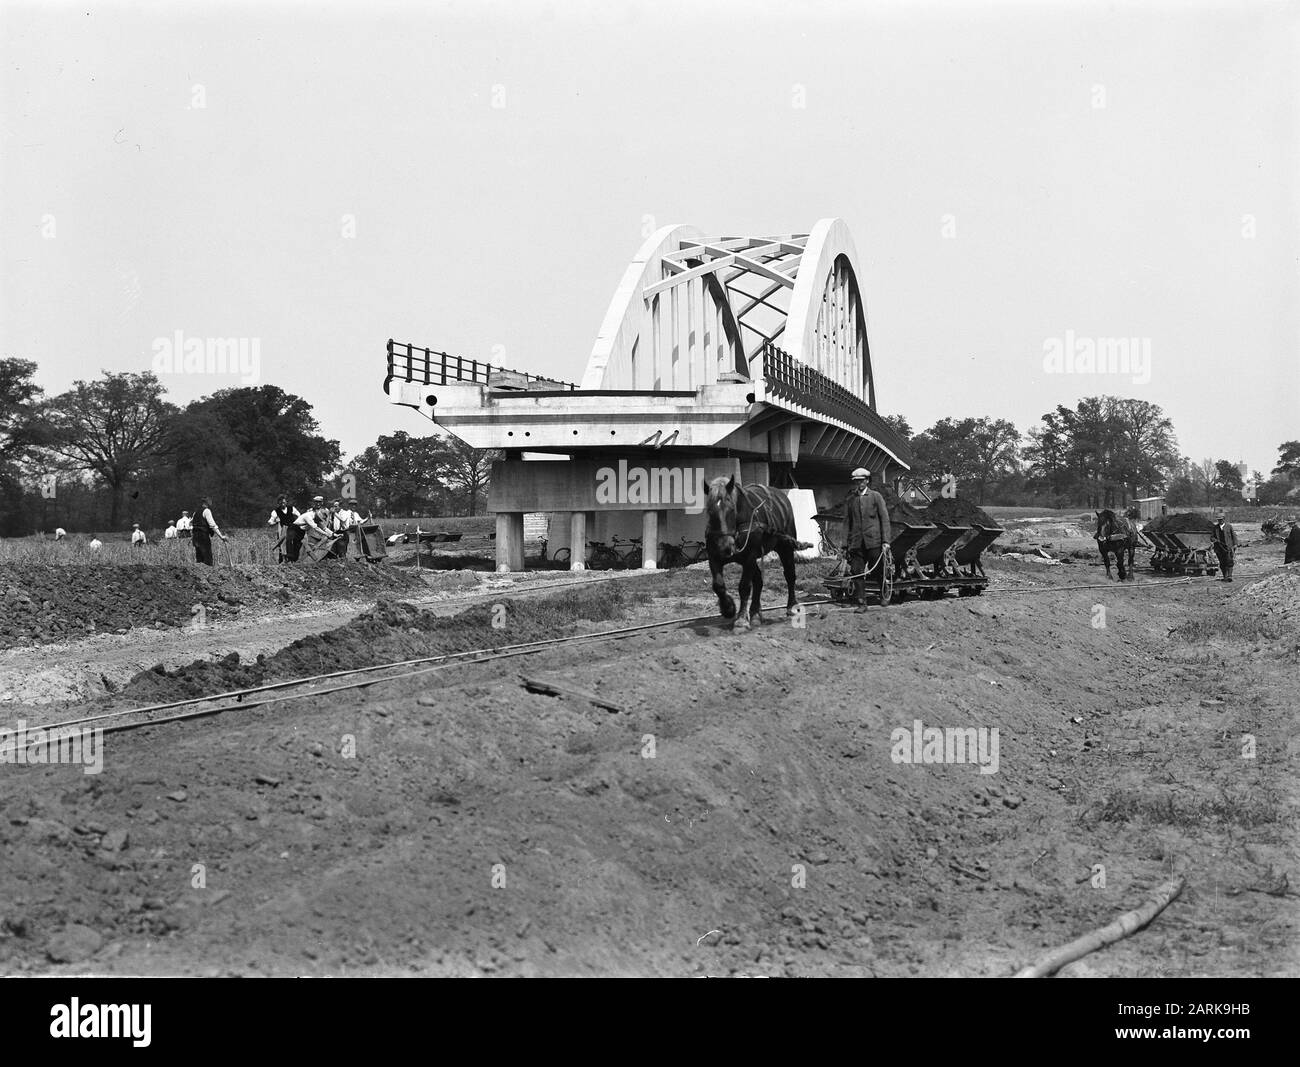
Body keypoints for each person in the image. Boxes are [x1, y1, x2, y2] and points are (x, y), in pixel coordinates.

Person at [844, 467, 892, 612]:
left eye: (862, 481)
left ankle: (884, 594)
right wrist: (844, 545)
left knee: (878, 570)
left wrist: (885, 541)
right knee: (857, 572)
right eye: (856, 481)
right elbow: (847, 522)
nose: (859, 484)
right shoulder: (851, 499)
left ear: (867, 481)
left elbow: (884, 519)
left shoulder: (876, 496)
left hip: (874, 542)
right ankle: (862, 603)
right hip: (857, 543)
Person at [191, 497, 227, 567]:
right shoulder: (207, 511)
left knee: (199, 558)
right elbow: (212, 525)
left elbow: (191, 522)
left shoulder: (196, 512)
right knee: (207, 557)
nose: (211, 502)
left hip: (195, 537)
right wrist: (221, 536)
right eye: (210, 501)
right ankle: (209, 574)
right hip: (203, 536)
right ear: (207, 502)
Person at [268, 494, 302, 562]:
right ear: (278, 503)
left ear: (286, 502)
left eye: (284, 502)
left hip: (292, 528)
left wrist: (297, 522)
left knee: (296, 541)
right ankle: (282, 560)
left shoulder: (291, 508)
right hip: (283, 529)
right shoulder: (275, 511)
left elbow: (299, 515)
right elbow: (270, 522)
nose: (283, 504)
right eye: (281, 503)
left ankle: (294, 558)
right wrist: (276, 522)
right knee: (282, 545)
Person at [1212, 511, 1237, 582]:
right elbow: (1211, 537)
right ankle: (1225, 576)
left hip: (1228, 547)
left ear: (1224, 519)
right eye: (1218, 520)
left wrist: (1235, 544)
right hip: (1219, 548)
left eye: (1221, 519)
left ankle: (1230, 576)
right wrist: (1215, 540)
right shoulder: (1215, 528)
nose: (1220, 521)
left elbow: (1233, 536)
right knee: (1222, 563)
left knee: (1229, 561)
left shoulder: (1229, 526)